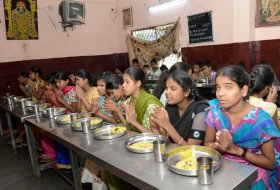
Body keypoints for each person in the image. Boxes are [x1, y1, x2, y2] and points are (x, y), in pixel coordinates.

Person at [204, 65, 280, 190]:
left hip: (253, 173)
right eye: (218, 88)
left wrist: (235, 150)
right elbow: (207, 143)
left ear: (243, 90)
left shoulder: (261, 120)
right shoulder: (215, 112)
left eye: (228, 87)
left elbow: (270, 163)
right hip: (223, 167)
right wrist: (223, 146)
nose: (220, 93)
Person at [150, 70, 208, 145]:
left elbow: (191, 149)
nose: (167, 92)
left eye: (173, 89)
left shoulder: (200, 110)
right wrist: (156, 127)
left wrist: (167, 125)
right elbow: (167, 142)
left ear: (186, 92)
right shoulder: (170, 107)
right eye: (166, 88)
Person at [123, 67, 163, 132]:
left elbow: (156, 136)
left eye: (127, 82)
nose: (123, 85)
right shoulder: (128, 102)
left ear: (138, 83)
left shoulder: (151, 105)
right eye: (123, 81)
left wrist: (134, 122)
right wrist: (128, 122)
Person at [54, 70, 78, 169]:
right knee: (60, 139)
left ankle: (68, 162)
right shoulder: (63, 91)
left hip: (73, 119)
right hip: (65, 118)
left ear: (67, 81)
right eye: (56, 82)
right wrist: (59, 99)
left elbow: (74, 110)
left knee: (66, 141)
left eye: (60, 82)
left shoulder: (72, 91)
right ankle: (65, 162)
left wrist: (60, 100)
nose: (57, 84)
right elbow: (62, 107)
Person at [248, 65, 280, 130]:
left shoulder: (241, 100)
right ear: (267, 88)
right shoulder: (270, 107)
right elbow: (277, 131)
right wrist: (271, 103)